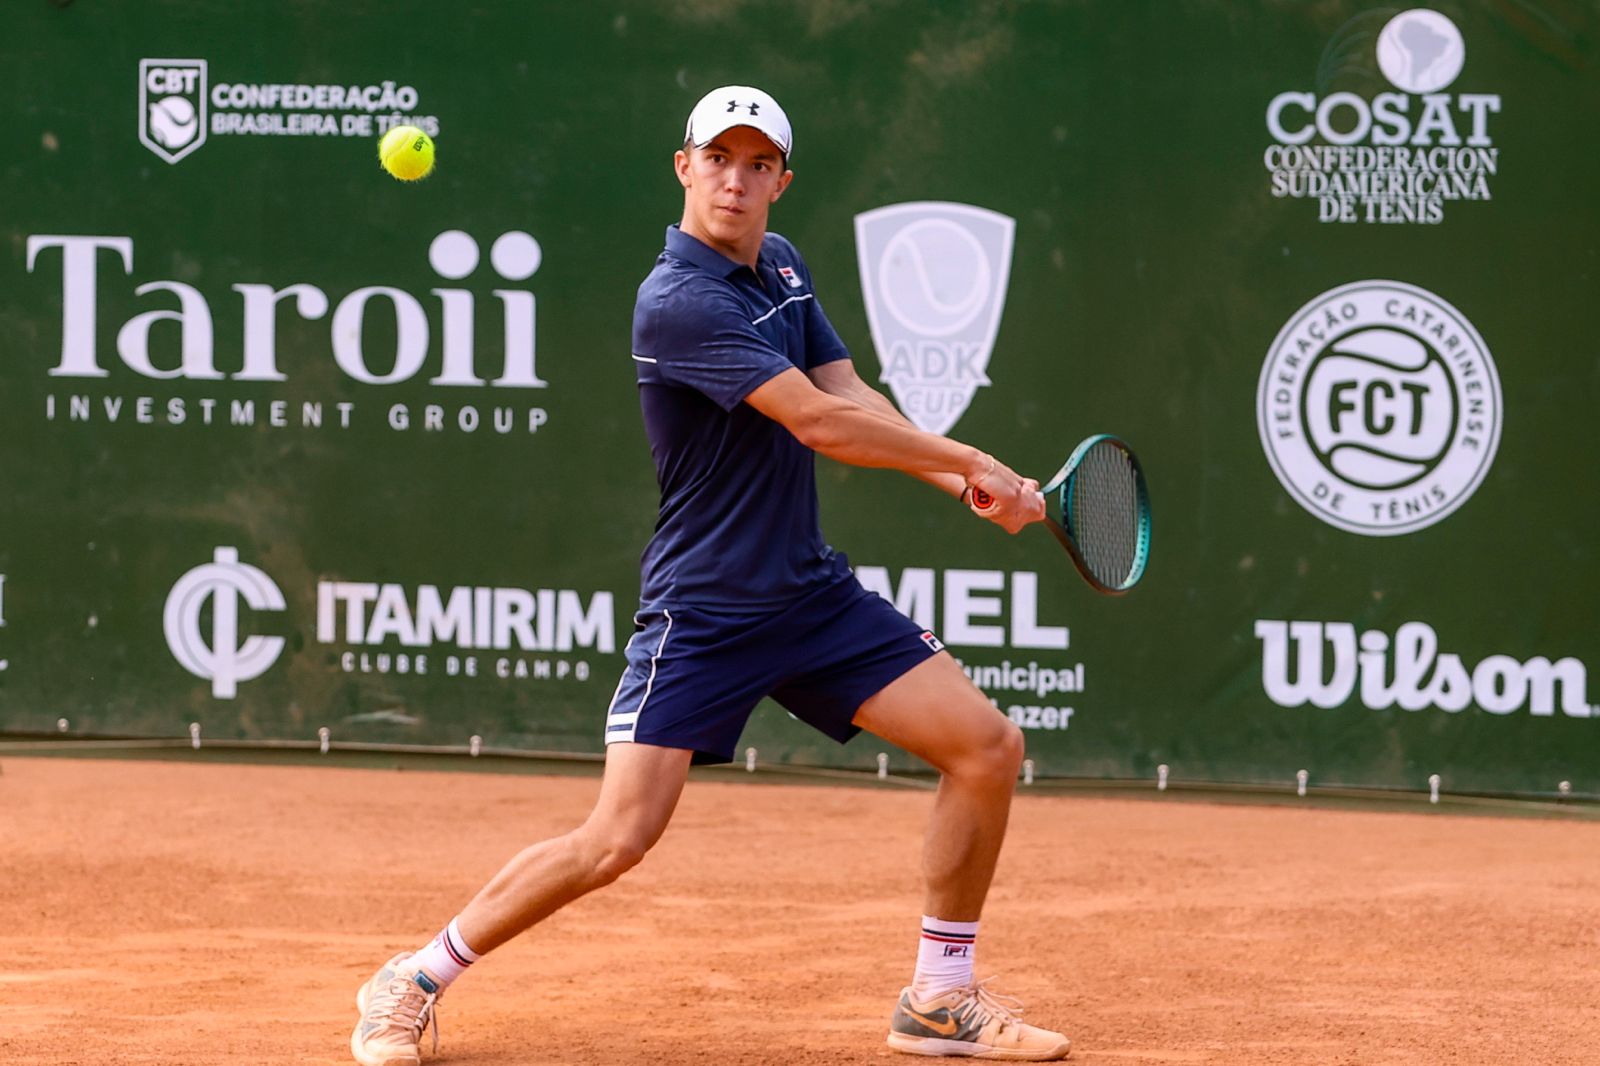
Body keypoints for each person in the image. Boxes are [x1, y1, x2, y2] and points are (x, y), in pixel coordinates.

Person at [351, 84, 1070, 1064]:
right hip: (706, 609)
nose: (735, 179)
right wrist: (973, 458)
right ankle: (413, 976)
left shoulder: (779, 263)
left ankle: (938, 1000)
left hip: (807, 593)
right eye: (717, 159)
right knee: (617, 837)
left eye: (756, 162)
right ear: (683, 167)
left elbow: (845, 388)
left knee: (986, 747)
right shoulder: (677, 299)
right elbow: (815, 423)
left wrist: (955, 483)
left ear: (780, 178)